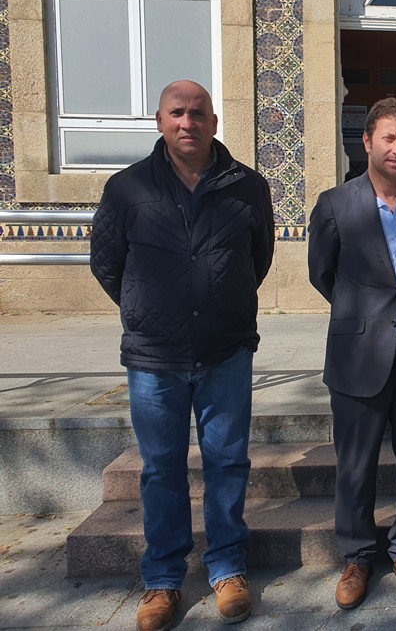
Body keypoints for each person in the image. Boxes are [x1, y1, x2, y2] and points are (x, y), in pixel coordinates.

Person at [90, 80, 275, 630]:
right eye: (177, 113)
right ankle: (163, 580)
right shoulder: (126, 189)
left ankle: (226, 568)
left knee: (226, 464)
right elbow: (107, 265)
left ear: (215, 123)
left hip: (226, 351)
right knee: (162, 469)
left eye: (198, 113)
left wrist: (223, 302)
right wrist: (148, 308)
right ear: (159, 121)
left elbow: (257, 259)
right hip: (154, 359)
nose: (187, 122)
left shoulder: (248, 187)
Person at [308, 97, 396, 610]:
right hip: (358, 355)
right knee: (355, 463)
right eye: (388, 138)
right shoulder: (334, 204)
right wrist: (365, 316)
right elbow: (322, 274)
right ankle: (357, 556)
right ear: (366, 142)